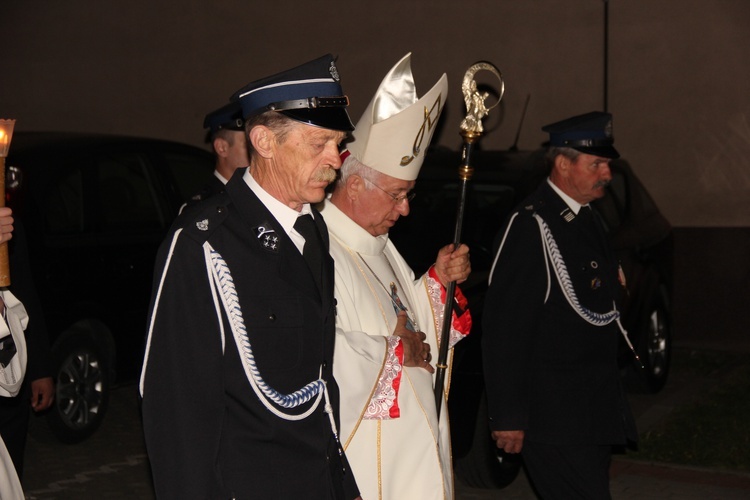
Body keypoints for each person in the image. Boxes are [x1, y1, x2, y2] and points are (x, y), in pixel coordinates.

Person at [139, 54, 360, 499]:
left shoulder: (310, 227)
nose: (335, 160)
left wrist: (342, 482)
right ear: (263, 141)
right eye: (319, 143)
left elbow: (318, 382)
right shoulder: (205, 242)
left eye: (338, 143)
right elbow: (176, 407)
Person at [318, 53, 472, 500]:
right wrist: (391, 353)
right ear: (354, 185)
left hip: (416, 449)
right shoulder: (320, 250)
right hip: (370, 461)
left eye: (408, 195)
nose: (404, 210)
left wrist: (437, 283)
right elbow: (318, 352)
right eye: (397, 195)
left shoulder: (381, 246)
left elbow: (418, 332)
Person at [482, 111, 638, 499]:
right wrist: (508, 417)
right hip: (554, 416)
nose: (606, 173)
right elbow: (506, 330)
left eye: (607, 164)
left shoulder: (585, 217)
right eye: (597, 164)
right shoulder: (532, 226)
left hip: (591, 410)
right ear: (563, 164)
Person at [0, 207, 54, 482]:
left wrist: (40, 369)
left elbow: (26, 296)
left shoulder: (9, 225)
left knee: (10, 475)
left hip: (9, 376)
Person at [186, 101, 249, 205]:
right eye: (248, 145)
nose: (257, 151)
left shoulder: (258, 194)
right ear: (222, 148)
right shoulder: (201, 208)